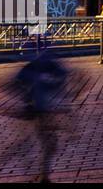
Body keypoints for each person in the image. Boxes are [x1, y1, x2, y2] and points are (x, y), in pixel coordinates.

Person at [14, 48, 68, 182]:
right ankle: (42, 175)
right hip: (42, 110)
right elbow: (59, 80)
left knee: (45, 141)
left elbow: (18, 82)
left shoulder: (33, 69)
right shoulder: (47, 69)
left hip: (39, 110)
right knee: (48, 142)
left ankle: (42, 174)